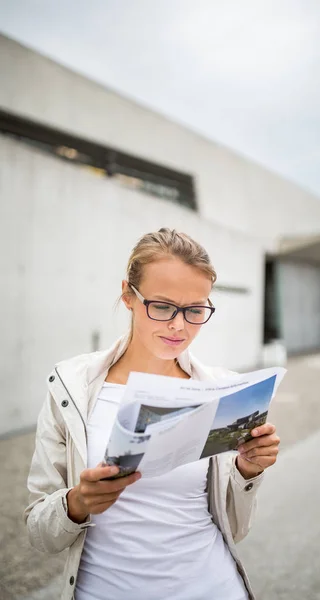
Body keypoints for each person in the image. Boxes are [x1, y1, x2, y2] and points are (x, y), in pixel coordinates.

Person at [25, 228, 280, 600]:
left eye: (195, 310)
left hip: (213, 588)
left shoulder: (222, 390)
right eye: (162, 306)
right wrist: (77, 503)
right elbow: (38, 531)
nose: (179, 325)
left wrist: (248, 470)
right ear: (128, 295)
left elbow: (235, 528)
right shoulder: (71, 389)